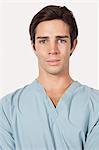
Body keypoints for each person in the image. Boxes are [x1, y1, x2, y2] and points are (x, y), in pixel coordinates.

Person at [0, 5, 99, 150]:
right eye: (43, 41)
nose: (53, 50)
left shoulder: (95, 105)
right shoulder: (7, 108)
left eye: (61, 40)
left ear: (73, 45)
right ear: (34, 46)